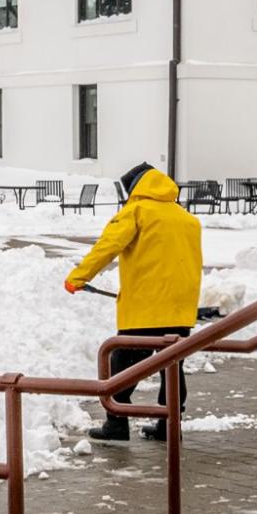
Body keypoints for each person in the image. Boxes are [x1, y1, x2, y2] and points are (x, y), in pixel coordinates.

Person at [65, 161, 202, 442]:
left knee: (122, 363)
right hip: (181, 308)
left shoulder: (137, 211)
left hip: (147, 308)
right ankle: (169, 427)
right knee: (172, 368)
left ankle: (116, 423)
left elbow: (108, 245)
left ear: (134, 188)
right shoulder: (186, 218)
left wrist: (78, 277)